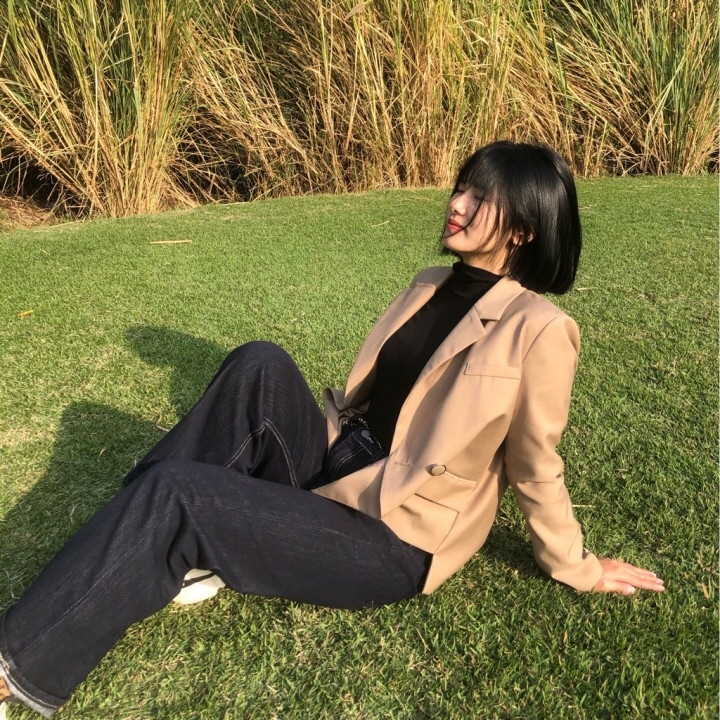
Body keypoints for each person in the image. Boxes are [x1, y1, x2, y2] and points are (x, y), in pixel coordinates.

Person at [0, 141, 664, 718]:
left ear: (522, 231)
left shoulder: (540, 330)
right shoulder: (430, 283)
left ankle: (13, 668)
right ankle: (137, 539)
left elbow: (536, 466)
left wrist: (577, 566)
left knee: (178, 492)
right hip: (344, 458)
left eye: (481, 197)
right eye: (462, 186)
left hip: (395, 533)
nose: (457, 203)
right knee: (260, 363)